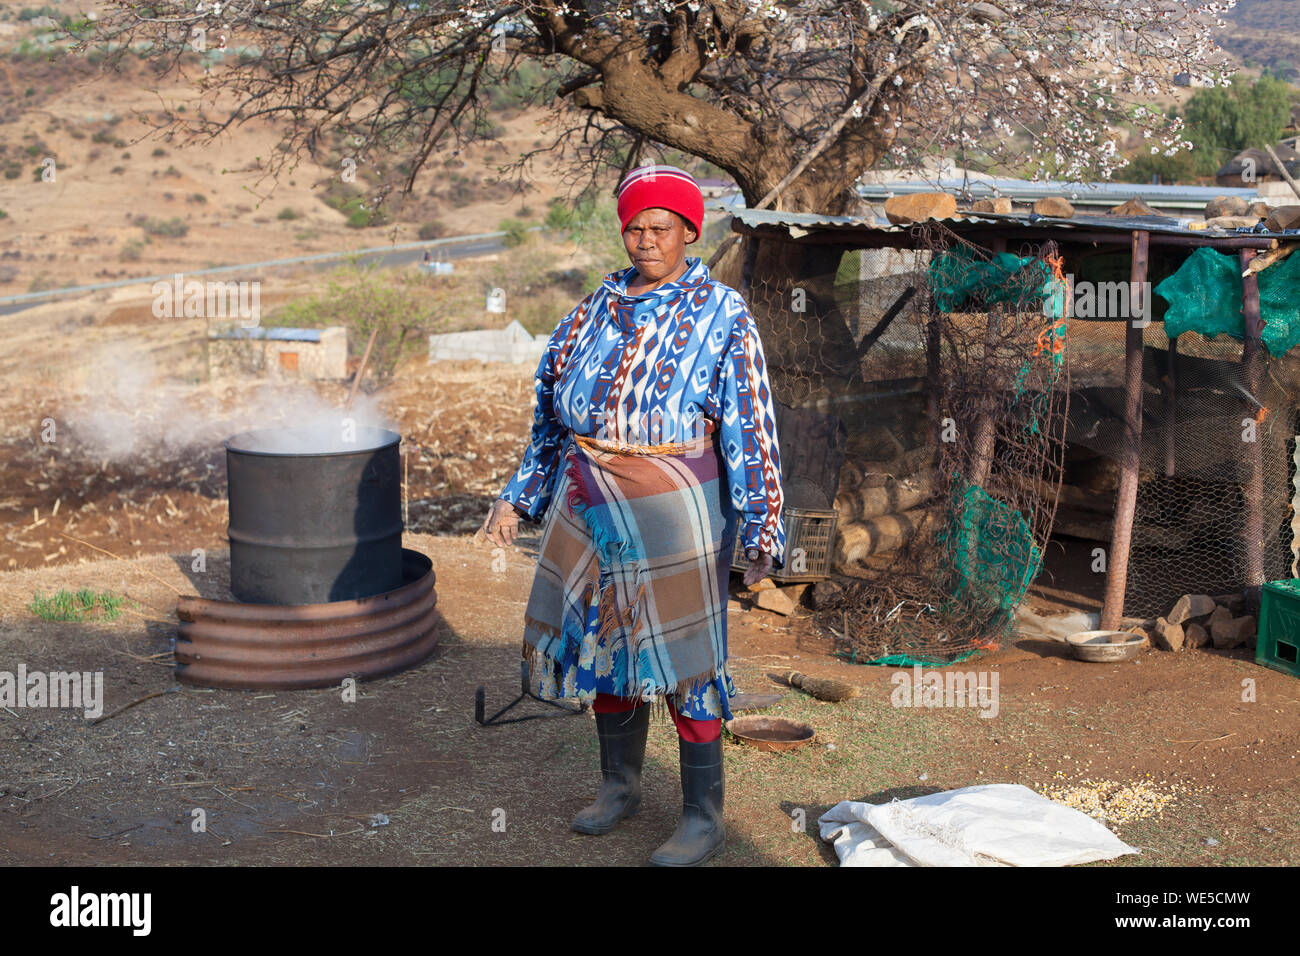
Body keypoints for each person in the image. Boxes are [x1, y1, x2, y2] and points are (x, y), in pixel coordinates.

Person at [481, 164, 785, 866]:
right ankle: (619, 787)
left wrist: (762, 525)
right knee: (601, 645)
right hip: (586, 497)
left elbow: (751, 426)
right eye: (634, 228)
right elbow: (549, 414)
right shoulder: (593, 307)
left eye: (660, 228)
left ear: (689, 231)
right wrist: (517, 495)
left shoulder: (722, 313)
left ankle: (702, 818)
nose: (645, 239)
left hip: (675, 503)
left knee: (683, 661)